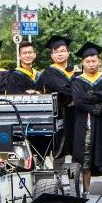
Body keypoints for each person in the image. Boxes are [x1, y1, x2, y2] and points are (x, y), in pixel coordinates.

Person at [69, 41, 102, 192]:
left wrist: (92, 95)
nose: (91, 64)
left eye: (94, 61)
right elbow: (78, 101)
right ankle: (86, 192)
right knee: (85, 159)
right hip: (83, 124)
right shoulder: (77, 80)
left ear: (99, 61)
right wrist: (97, 104)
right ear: (83, 63)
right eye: (88, 61)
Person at [35, 34, 77, 163]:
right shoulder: (50, 71)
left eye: (63, 51)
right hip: (59, 113)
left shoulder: (76, 71)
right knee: (60, 147)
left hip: (76, 114)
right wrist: (76, 96)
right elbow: (62, 88)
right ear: (52, 56)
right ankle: (59, 171)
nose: (60, 54)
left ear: (68, 53)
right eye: (56, 51)